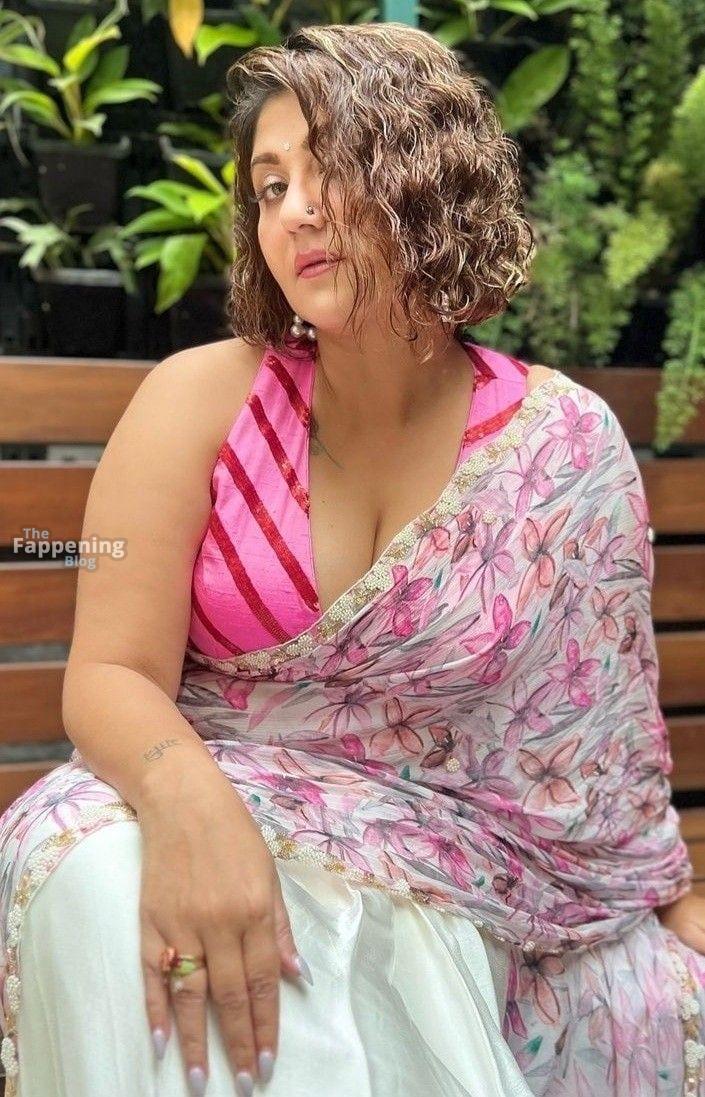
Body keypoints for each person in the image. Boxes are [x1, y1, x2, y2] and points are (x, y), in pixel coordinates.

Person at [1, 20, 704, 1097]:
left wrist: (662, 895)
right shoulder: (199, 401)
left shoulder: (561, 445)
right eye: (269, 185)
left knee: (391, 940)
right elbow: (108, 672)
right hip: (204, 795)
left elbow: (594, 735)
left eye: (326, 167)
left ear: (428, 178)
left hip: (465, 875)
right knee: (97, 873)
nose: (293, 210)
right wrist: (193, 805)